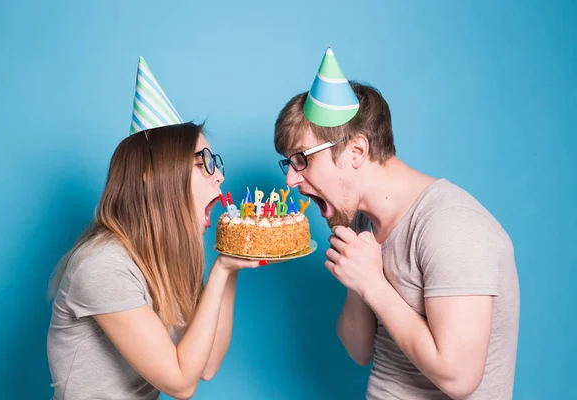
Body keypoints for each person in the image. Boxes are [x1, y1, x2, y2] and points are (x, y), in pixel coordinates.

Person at [274, 47, 520, 399]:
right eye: (288, 164)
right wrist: (358, 278)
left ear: (356, 151)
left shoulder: (452, 226)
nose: (290, 181)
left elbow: (459, 379)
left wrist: (372, 284)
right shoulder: (361, 221)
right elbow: (358, 351)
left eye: (301, 160)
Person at [47, 57, 265, 399]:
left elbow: (206, 365)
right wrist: (221, 269)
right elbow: (181, 383)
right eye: (204, 163)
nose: (219, 175)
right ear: (154, 179)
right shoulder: (103, 265)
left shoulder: (166, 260)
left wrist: (232, 264)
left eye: (216, 163)